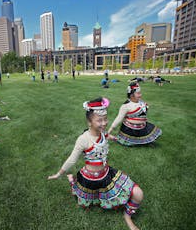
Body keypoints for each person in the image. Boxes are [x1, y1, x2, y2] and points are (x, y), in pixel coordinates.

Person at [48, 97, 143, 230]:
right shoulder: (83, 140)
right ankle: (72, 180)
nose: (104, 123)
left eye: (105, 119)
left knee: (138, 193)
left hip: (107, 174)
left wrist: (115, 138)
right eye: (99, 120)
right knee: (83, 195)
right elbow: (72, 159)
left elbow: (105, 135)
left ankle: (127, 217)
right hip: (90, 179)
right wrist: (58, 174)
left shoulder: (102, 132)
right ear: (89, 121)